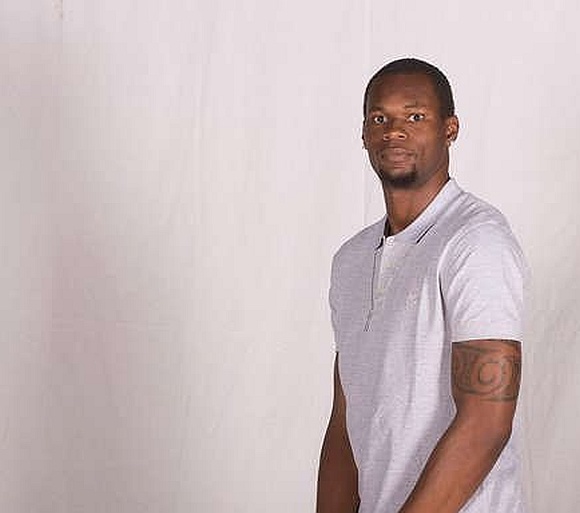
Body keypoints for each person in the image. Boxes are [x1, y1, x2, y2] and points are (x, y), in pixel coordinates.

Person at [316, 58, 528, 513]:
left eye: (415, 116)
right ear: (363, 134)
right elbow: (344, 420)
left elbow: (487, 421)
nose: (394, 131)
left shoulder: (476, 241)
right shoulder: (351, 260)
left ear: (450, 129)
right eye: (380, 118)